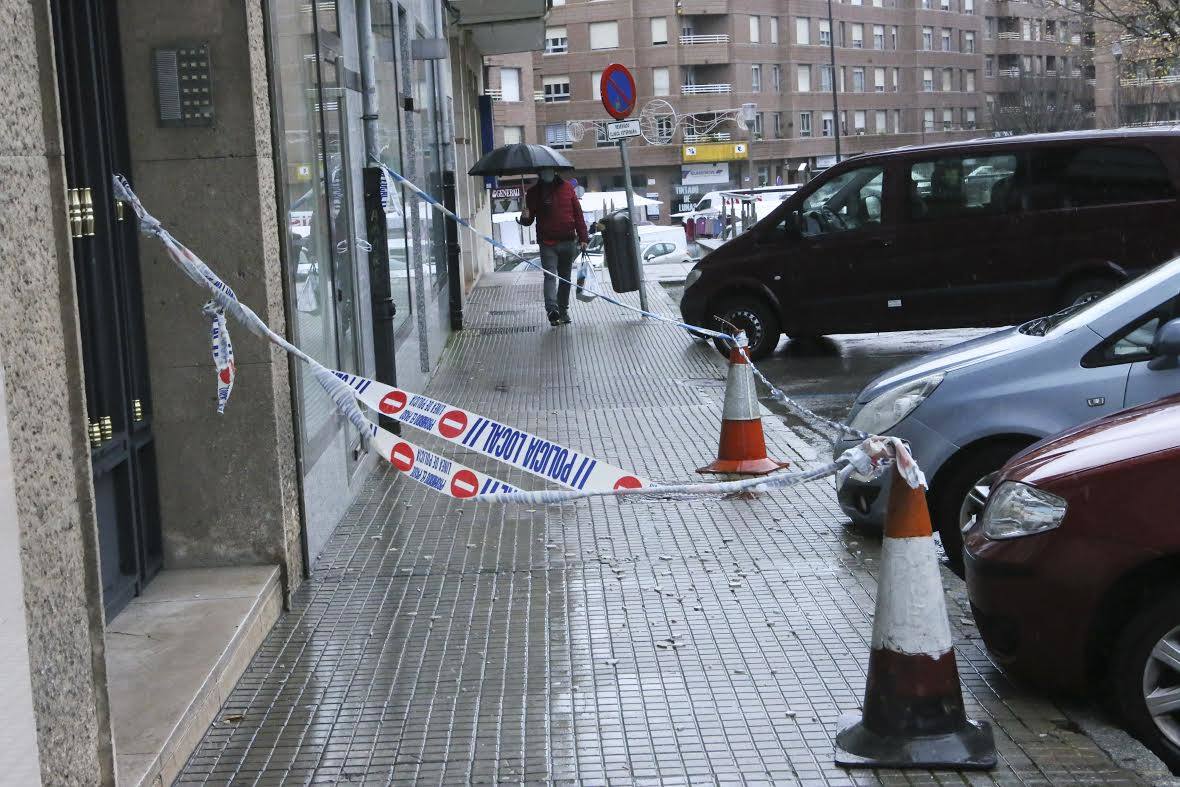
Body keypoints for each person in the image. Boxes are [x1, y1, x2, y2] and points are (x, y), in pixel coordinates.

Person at [518, 167, 588, 326]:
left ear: (555, 171)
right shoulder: (534, 192)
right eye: (544, 171)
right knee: (550, 276)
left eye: (549, 170)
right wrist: (524, 217)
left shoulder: (568, 188)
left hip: (568, 241)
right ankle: (552, 310)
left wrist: (583, 237)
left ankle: (563, 311)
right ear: (539, 173)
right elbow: (529, 221)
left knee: (565, 279)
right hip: (547, 243)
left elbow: (578, 214)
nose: (547, 173)